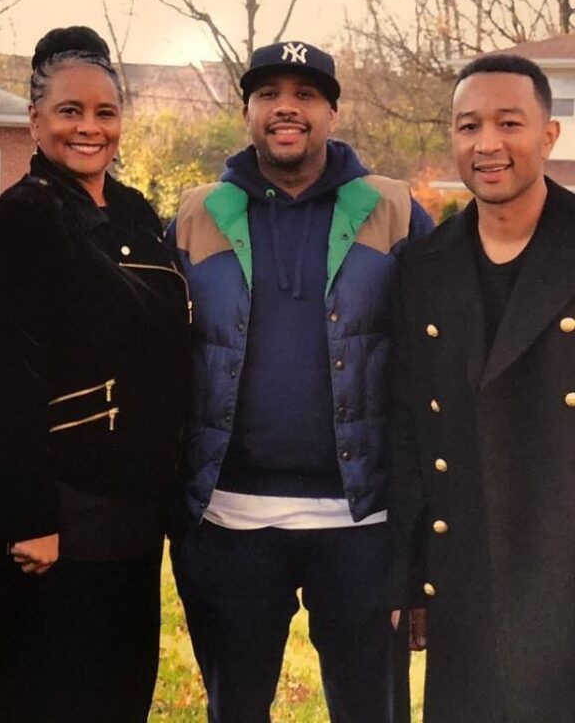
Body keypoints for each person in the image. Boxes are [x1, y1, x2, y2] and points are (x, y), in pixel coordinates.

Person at [169, 41, 433, 723]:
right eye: (268, 94)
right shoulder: (198, 215)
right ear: (249, 112)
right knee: (236, 708)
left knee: (372, 710)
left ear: (333, 112)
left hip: (361, 522)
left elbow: (438, 357)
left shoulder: (395, 211)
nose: (286, 107)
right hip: (231, 521)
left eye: (306, 94)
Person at [0, 26, 190, 723]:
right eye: (69, 111)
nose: (89, 128)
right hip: (54, 521)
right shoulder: (16, 224)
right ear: (34, 120)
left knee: (117, 697)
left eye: (104, 112)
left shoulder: (135, 213)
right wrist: (29, 518)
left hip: (131, 516)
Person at [390, 54, 575, 722]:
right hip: (465, 575)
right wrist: (411, 579)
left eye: (508, 123)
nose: (487, 143)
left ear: (548, 136)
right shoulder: (424, 265)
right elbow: (409, 431)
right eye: (469, 126)